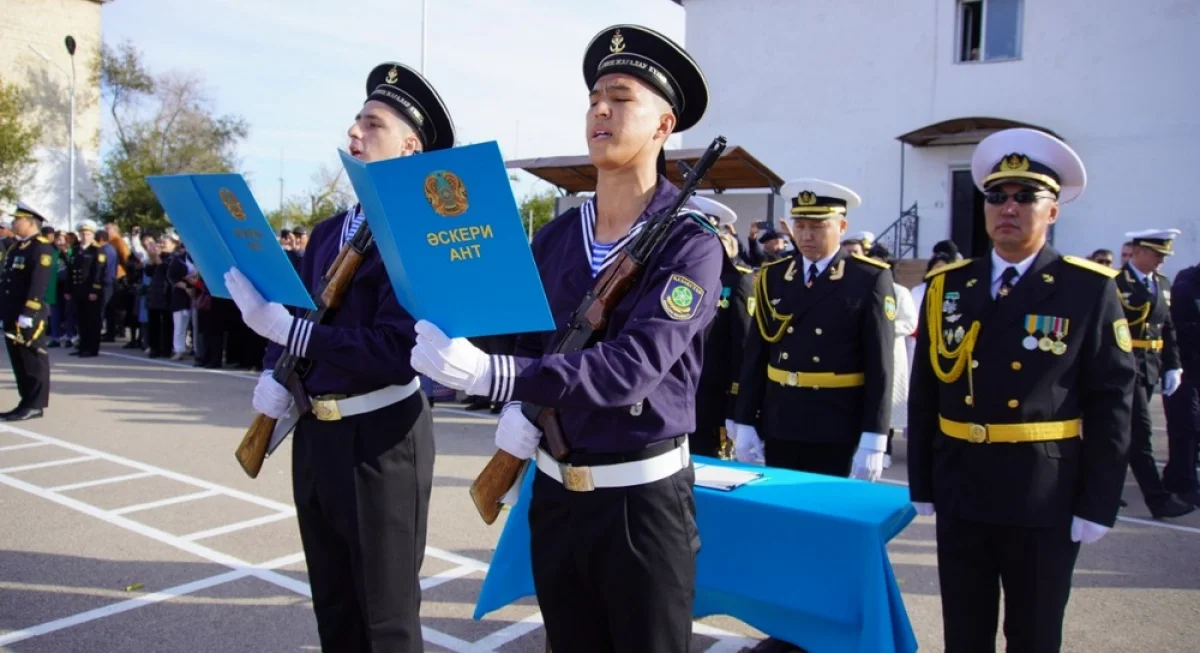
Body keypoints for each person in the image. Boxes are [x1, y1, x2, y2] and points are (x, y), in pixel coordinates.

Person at [411, 24, 721, 653]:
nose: (600, 108)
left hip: (641, 506)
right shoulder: (555, 238)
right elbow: (518, 338)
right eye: (593, 98)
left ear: (664, 126)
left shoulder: (691, 242)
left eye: (621, 96)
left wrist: (499, 379)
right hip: (554, 491)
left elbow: (632, 367)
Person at [224, 61, 452, 652]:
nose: (354, 133)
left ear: (409, 147)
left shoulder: (419, 232)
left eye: (371, 124)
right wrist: (278, 367)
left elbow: (396, 350)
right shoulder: (329, 231)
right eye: (355, 120)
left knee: (386, 614)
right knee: (334, 602)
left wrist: (296, 338)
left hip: (381, 438)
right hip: (317, 433)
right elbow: (298, 315)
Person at [907, 128, 1135, 652]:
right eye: (996, 196)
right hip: (962, 482)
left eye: (1025, 197)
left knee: (1033, 632)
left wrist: (1099, 501)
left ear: (1052, 211)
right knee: (964, 630)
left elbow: (1112, 403)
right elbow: (927, 391)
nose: (1008, 208)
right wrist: (922, 479)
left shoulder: (1088, 287)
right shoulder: (950, 286)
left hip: (1042, 490)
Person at [1114, 229, 1193, 518]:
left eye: (1164, 255)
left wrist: (1173, 365)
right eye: (1157, 254)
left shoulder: (1162, 283)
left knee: (1121, 435)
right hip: (1123, 368)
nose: (1161, 260)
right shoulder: (1114, 284)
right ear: (1137, 251)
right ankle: (1157, 499)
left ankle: (1101, 492)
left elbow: (1168, 328)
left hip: (1149, 367)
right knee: (1141, 433)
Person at [689, 195, 754, 458]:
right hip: (676, 396)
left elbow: (743, 349)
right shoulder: (667, 276)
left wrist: (735, 408)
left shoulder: (736, 283)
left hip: (712, 398)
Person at [0, 204, 56, 420]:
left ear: (31, 222)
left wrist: (29, 312)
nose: (13, 223)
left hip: (28, 313)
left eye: (17, 220)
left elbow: (38, 283)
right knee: (18, 359)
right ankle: (25, 401)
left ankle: (36, 404)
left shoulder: (41, 248)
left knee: (33, 359)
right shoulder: (16, 248)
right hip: (11, 311)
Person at [1164, 261, 1200, 507]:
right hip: (1186, 366)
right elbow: (1176, 326)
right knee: (1186, 425)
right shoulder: (1186, 283)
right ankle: (1182, 482)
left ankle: (1179, 476)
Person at [67, 220, 104, 358]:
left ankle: (92, 348)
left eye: (87, 234)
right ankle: (83, 346)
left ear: (92, 235)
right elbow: (71, 271)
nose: (84, 236)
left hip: (90, 290)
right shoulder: (76, 250)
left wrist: (95, 290)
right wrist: (68, 289)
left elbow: (99, 272)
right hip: (78, 290)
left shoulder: (97, 250)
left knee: (92, 320)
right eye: (82, 233)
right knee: (80, 319)